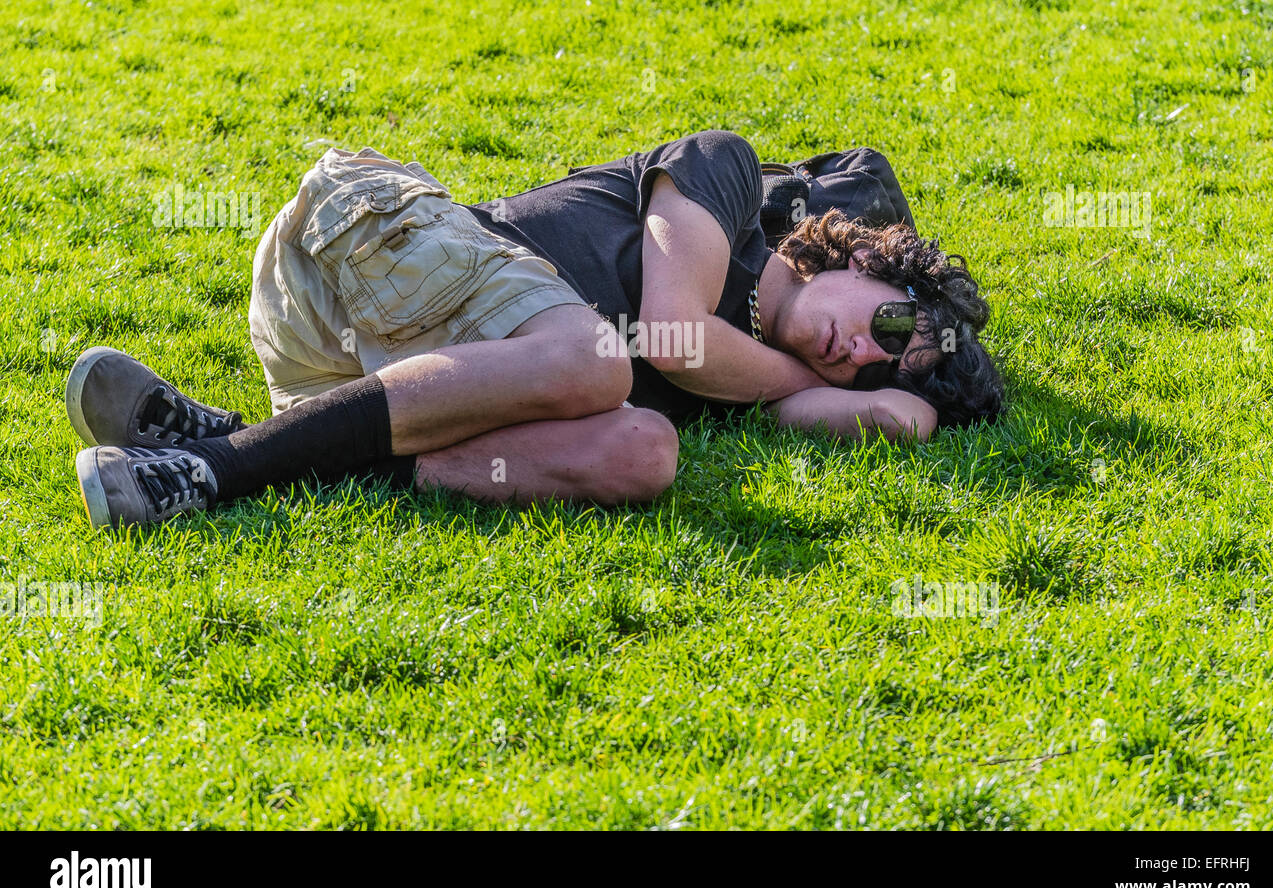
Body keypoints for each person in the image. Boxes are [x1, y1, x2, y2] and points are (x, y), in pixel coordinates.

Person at [66, 131, 1002, 529]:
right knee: (603, 359)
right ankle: (209, 472)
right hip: (353, 241)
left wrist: (904, 403)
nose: (866, 352)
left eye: (887, 365)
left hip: (376, 373)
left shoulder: (768, 382)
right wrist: (818, 381)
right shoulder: (722, 173)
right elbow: (673, 336)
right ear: (862, 257)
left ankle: (257, 437)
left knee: (645, 451)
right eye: (889, 320)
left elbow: (891, 423)